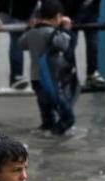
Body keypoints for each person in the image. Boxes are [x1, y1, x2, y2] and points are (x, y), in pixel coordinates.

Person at [18, 0, 77, 134]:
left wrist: (29, 28)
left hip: (36, 78)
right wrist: (66, 29)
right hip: (53, 79)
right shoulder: (52, 33)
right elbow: (64, 45)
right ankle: (55, 135)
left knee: (46, 115)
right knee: (68, 118)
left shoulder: (32, 33)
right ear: (57, 16)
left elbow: (21, 44)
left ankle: (46, 132)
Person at [0, 0, 41, 89]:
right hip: (10, 12)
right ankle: (16, 77)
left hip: (31, 10)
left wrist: (39, 17)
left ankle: (42, 76)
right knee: (17, 37)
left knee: (42, 35)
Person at [61, 0, 105, 87]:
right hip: (71, 10)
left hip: (90, 9)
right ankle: (70, 75)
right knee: (70, 43)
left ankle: (92, 73)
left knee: (93, 43)